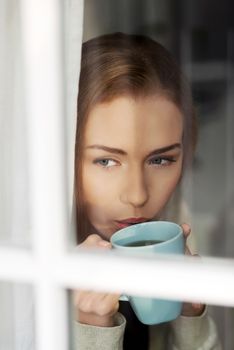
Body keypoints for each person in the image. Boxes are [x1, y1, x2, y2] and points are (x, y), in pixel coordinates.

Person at [73, 32, 221, 349]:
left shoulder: (179, 226)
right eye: (106, 161)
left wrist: (191, 318)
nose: (138, 195)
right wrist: (91, 331)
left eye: (160, 159)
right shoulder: (23, 263)